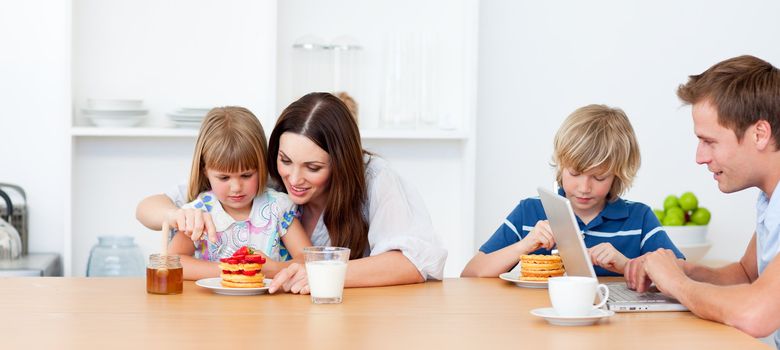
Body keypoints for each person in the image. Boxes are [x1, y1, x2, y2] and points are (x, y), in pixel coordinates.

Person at [136, 93, 447, 292]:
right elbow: (154, 209)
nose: (293, 179)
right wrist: (175, 216)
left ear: (341, 164)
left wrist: (320, 275)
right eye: (285, 161)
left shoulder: (375, 179)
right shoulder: (260, 177)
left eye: (313, 168)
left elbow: (413, 262)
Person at [624, 55, 780, 345]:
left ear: (760, 134)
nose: (700, 157)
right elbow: (747, 274)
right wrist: (683, 270)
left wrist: (677, 283)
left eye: (709, 141)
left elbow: (755, 313)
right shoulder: (770, 199)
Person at [461, 104, 684, 277]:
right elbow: (471, 273)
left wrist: (626, 265)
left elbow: (681, 274)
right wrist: (525, 244)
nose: (584, 188)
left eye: (599, 177)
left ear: (618, 173)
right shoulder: (531, 212)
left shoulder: (639, 219)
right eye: (575, 173)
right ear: (560, 164)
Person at [154, 107, 311, 280]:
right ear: (205, 171)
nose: (236, 187)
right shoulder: (199, 213)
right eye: (224, 177)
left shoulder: (277, 207)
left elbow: (308, 259)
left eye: (246, 175)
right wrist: (233, 269)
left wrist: (273, 269)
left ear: (262, 167)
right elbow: (171, 261)